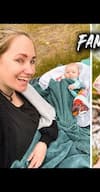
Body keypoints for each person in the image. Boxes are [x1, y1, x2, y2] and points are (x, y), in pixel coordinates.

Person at [0, 29, 58, 168]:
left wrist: (43, 143)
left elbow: (50, 120)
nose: (31, 70)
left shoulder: (23, 90)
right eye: (20, 60)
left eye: (32, 61)